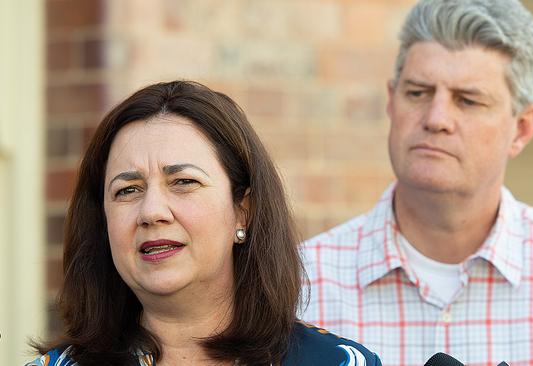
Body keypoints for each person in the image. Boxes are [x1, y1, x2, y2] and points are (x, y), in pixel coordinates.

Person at [300, 0, 533, 365]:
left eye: (467, 101)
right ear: (391, 102)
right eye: (417, 93)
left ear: (523, 128)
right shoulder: (298, 285)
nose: (436, 119)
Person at [28, 81, 381, 366]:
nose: (152, 212)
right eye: (128, 190)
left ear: (243, 210)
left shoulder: (339, 362)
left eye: (183, 182)